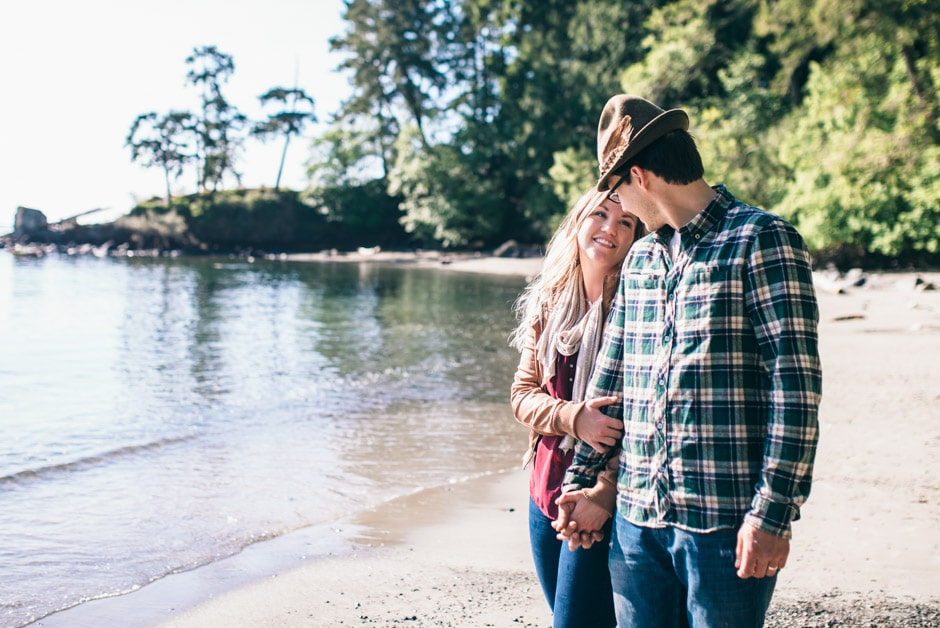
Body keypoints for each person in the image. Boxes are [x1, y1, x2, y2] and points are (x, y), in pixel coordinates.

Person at [561, 94, 822, 627]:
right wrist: (581, 484)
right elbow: (610, 388)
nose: (621, 208)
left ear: (640, 176)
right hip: (636, 524)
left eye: (618, 192)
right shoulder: (641, 262)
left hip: (724, 528)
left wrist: (771, 515)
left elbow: (795, 392)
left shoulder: (762, 241)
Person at [509, 186, 643, 628]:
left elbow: (646, 418)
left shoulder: (638, 308)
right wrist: (574, 418)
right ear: (579, 221)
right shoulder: (550, 301)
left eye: (625, 222)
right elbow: (522, 395)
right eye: (600, 215)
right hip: (543, 491)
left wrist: (602, 493)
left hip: (600, 500)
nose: (610, 228)